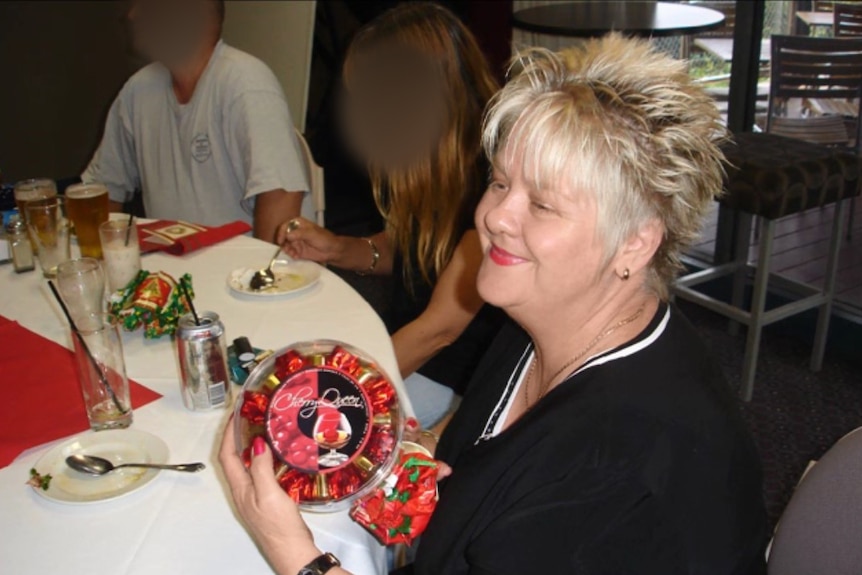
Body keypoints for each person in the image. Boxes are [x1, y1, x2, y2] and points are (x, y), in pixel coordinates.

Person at [220, 34, 768, 574]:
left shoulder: (616, 466)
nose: (495, 217)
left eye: (544, 204)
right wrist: (421, 445)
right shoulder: (540, 322)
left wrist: (296, 555)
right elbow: (490, 448)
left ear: (636, 243)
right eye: (501, 183)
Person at [276, 3, 503, 428]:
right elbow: (410, 250)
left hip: (454, 378)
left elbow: (439, 331)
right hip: (408, 348)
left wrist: (333, 390)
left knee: (317, 431)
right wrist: (338, 248)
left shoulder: (491, 179)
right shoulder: (428, 164)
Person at [82, 0, 311, 242]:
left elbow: (282, 197)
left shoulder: (246, 83)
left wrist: (255, 276)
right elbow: (102, 191)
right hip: (175, 270)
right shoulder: (138, 90)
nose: (133, 15)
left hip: (239, 271)